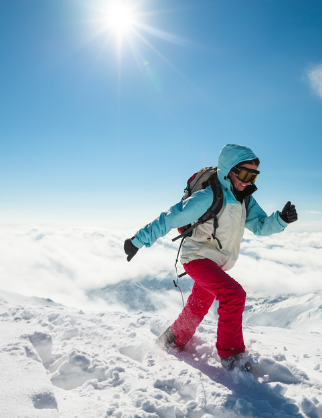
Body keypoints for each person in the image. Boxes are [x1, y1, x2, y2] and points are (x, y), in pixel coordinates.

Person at [123, 144, 297, 371]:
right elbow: (169, 218)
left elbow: (261, 225)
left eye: (254, 176)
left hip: (217, 263)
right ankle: (232, 357)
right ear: (229, 171)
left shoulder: (245, 199)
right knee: (233, 294)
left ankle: (170, 340)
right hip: (196, 257)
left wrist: (281, 220)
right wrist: (137, 241)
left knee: (197, 307)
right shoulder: (208, 197)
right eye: (244, 174)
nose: (249, 182)